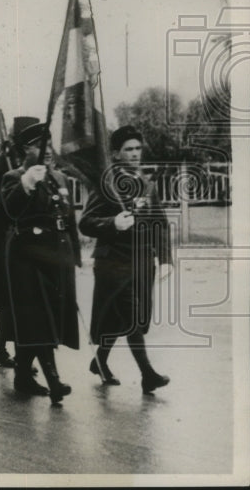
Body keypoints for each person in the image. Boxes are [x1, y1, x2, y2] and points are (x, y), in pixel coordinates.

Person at [79, 125, 172, 394]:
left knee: (124, 319)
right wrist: (113, 223)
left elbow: (160, 225)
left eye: (137, 149)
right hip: (114, 263)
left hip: (142, 263)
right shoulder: (107, 184)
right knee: (130, 318)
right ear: (117, 154)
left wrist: (165, 259)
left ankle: (100, 361)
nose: (134, 154)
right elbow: (86, 222)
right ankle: (148, 375)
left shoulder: (146, 184)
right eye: (128, 150)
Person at [0, 122, 81, 404]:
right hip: (27, 256)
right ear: (26, 149)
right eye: (40, 145)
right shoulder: (15, 176)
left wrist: (76, 253)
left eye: (49, 143)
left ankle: (23, 376)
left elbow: (67, 217)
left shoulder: (58, 177)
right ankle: (54, 381)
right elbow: (10, 211)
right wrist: (26, 185)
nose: (48, 151)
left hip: (57, 255)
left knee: (46, 318)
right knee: (39, 319)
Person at [0, 116, 40, 369]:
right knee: (8, 294)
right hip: (1, 234)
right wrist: (6, 197)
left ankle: (6, 348)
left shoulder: (33, 164)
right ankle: (5, 348)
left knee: (21, 294)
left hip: (24, 233)